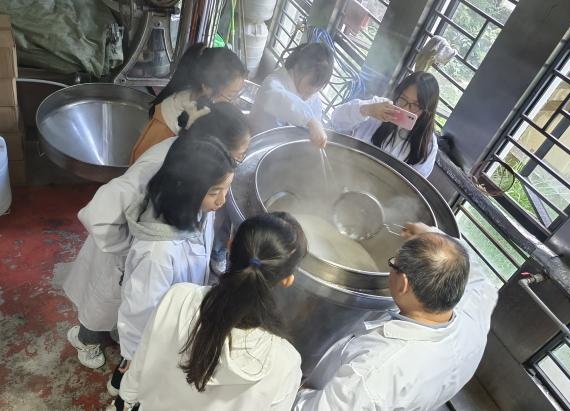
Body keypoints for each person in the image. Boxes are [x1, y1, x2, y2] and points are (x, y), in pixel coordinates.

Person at [64, 103, 249, 369]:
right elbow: (99, 215)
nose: (222, 199)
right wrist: (136, 244)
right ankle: (86, 339)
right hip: (120, 248)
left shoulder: (199, 192)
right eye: (238, 157)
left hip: (149, 249)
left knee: (131, 307)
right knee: (101, 309)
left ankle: (117, 335)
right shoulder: (166, 165)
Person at [294, 222, 499, 411]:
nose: (391, 265)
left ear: (403, 284)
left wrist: (291, 387)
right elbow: (476, 271)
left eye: (393, 263)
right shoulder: (476, 303)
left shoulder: (374, 372)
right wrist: (430, 233)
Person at [118, 212, 308, 411]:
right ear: (287, 280)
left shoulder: (178, 297)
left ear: (230, 245)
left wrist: (127, 396)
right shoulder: (285, 364)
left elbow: (142, 359)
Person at [129, 44, 247, 163]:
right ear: (207, 87)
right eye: (231, 95)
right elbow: (144, 167)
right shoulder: (167, 128)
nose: (234, 102)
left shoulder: (200, 104)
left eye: (237, 94)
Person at [331, 71, 440, 177]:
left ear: (427, 111)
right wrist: (368, 110)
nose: (405, 109)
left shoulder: (428, 144)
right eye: (403, 99)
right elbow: (336, 119)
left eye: (415, 105)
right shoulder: (380, 106)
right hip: (347, 170)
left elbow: (414, 184)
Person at [249, 42, 334, 148]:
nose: (309, 95)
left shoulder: (313, 97)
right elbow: (278, 99)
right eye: (308, 91)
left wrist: (316, 130)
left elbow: (315, 125)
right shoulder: (274, 83)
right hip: (257, 143)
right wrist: (310, 121)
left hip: (284, 149)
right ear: (298, 69)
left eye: (316, 90)